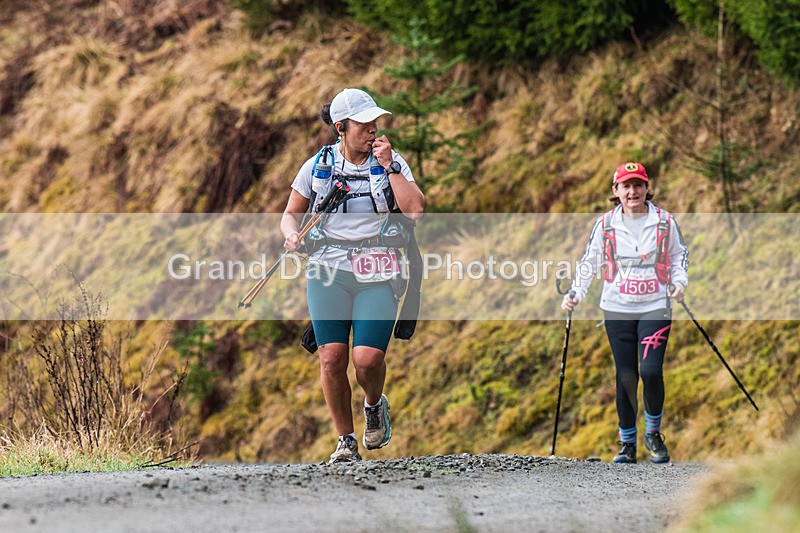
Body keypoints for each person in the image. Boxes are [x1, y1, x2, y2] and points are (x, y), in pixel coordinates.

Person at [280, 88, 425, 464]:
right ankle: (345, 441)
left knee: (366, 360)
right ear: (341, 127)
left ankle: (374, 406)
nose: (373, 129)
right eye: (364, 124)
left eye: (375, 121)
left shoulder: (392, 161)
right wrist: (290, 235)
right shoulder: (317, 165)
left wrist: (391, 165)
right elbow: (290, 212)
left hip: (378, 269)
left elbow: (415, 211)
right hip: (328, 270)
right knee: (331, 357)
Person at [562, 162, 688, 464]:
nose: (633, 191)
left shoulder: (664, 221)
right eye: (626, 186)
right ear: (615, 192)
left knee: (650, 371)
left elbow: (678, 254)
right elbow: (590, 260)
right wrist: (576, 292)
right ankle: (627, 443)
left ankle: (653, 434)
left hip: (656, 304)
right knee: (627, 376)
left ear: (647, 188)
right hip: (616, 307)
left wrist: (679, 282)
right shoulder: (605, 224)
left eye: (638, 185)